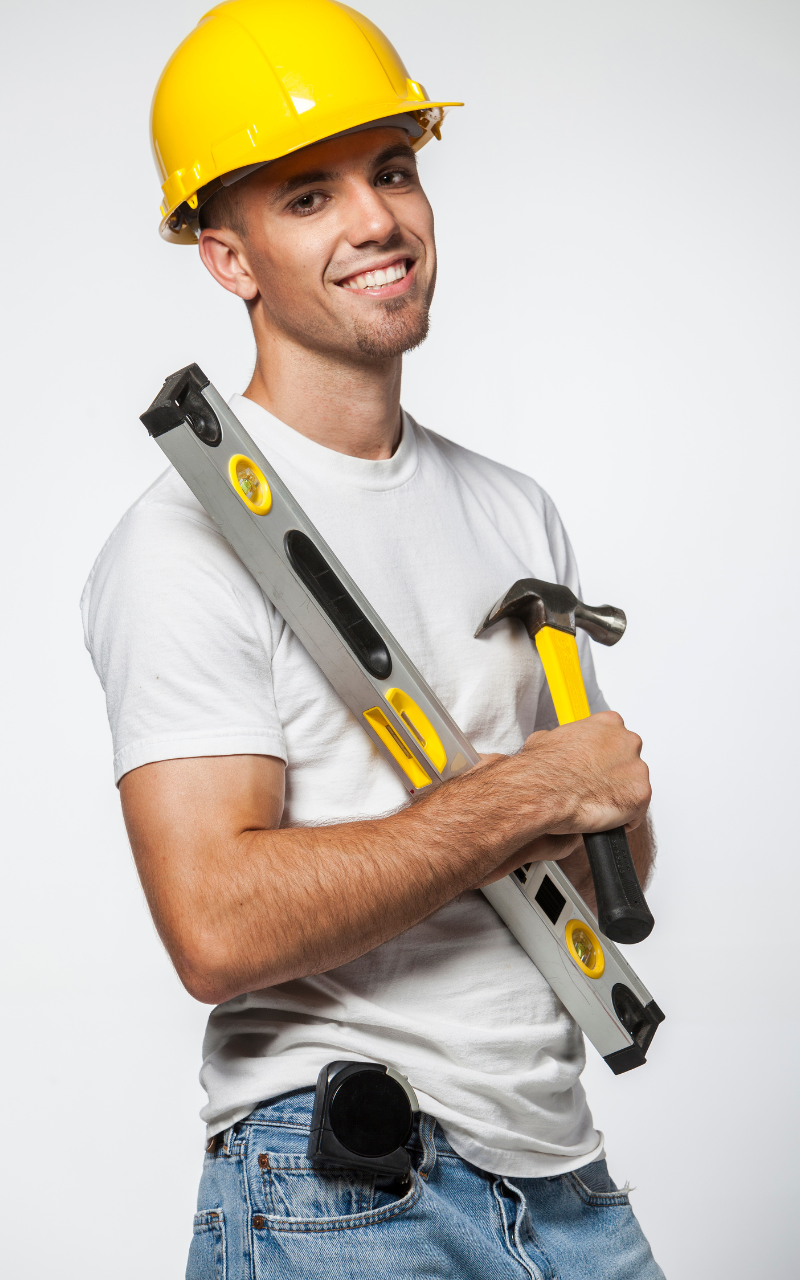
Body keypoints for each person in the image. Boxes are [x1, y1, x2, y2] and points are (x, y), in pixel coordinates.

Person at [82, 2, 663, 1276]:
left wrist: (583, 801)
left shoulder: (512, 509)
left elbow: (611, 864)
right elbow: (216, 926)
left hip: (562, 1170)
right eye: (308, 196)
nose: (375, 220)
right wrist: (525, 796)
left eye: (391, 170)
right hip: (339, 1187)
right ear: (227, 258)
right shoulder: (184, 542)